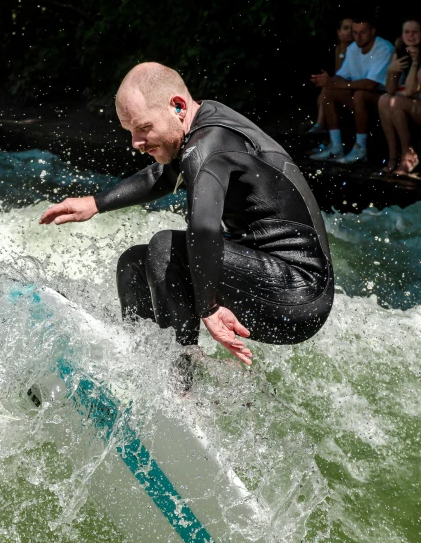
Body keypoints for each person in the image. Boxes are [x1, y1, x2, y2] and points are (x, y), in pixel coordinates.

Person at [39, 63, 334, 368]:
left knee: (166, 249)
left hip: (301, 295)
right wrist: (94, 203)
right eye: (130, 132)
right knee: (134, 264)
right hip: (269, 279)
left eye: (143, 128)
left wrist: (208, 308)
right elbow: (165, 176)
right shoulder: (201, 128)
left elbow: (204, 229)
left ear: (177, 106)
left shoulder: (209, 144)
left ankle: (181, 391)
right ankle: (141, 365)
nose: (135, 144)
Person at [310, 17, 394, 164]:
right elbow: (342, 76)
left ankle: (360, 148)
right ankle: (336, 146)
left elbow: (371, 85)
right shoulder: (353, 48)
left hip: (384, 101)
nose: (357, 37)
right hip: (359, 97)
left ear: (372, 32)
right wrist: (328, 81)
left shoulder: (383, 49)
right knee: (329, 91)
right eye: (355, 33)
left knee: (360, 95)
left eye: (362, 32)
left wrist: (338, 84)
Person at [378, 19, 421, 174]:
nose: (410, 35)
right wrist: (391, 70)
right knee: (384, 100)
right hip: (412, 103)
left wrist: (415, 62)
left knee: (396, 102)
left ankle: (408, 154)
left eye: (415, 31)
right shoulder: (401, 52)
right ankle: (392, 155)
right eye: (407, 32)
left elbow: (410, 91)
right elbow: (389, 89)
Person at [307, 17, 354, 137]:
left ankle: (320, 124)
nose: (349, 31)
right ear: (339, 32)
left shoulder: (355, 49)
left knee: (326, 91)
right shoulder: (338, 48)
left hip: (352, 86)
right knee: (324, 92)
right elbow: (339, 73)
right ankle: (323, 130)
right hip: (342, 84)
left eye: (351, 28)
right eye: (345, 28)